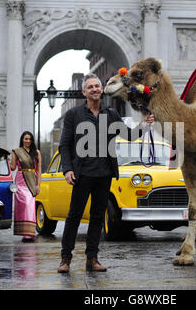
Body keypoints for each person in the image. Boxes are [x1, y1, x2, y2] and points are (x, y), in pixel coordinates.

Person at [57, 73, 154, 273]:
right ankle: (65, 259)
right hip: (81, 175)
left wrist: (144, 126)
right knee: (74, 217)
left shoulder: (111, 115)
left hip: (104, 174)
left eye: (97, 86)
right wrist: (67, 170)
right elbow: (64, 145)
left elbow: (129, 135)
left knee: (97, 218)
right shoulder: (74, 115)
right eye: (90, 87)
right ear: (84, 92)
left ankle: (92, 259)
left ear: (101, 90)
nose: (94, 89)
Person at [10, 131, 42, 242]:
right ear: (22, 140)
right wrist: (5, 160)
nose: (27, 141)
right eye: (25, 139)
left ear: (32, 140)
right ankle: (24, 232)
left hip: (32, 181)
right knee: (24, 205)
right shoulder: (16, 152)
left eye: (29, 139)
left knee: (30, 204)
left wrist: (38, 185)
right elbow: (13, 167)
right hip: (20, 180)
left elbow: (38, 170)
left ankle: (30, 233)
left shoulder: (36, 152)